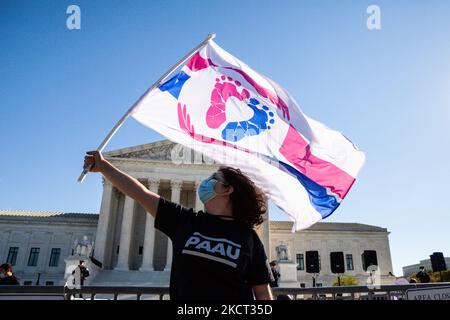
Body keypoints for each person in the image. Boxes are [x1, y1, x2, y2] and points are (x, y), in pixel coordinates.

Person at [83, 151, 274, 300]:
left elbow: (263, 294)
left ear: (227, 189)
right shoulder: (186, 221)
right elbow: (139, 192)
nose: (206, 182)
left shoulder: (248, 238)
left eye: (213, 179)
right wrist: (105, 167)